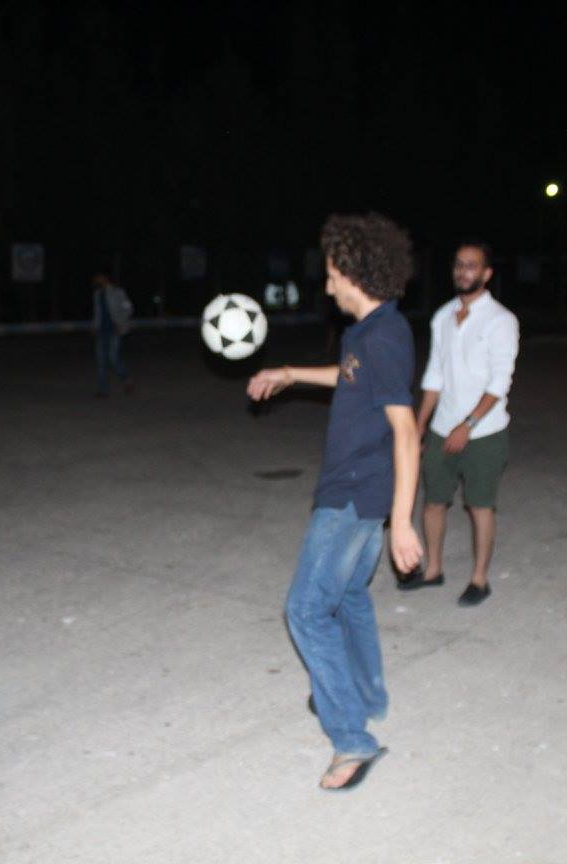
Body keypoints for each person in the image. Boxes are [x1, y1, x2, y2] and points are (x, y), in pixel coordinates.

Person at [247, 212, 423, 791]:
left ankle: (351, 737)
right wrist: (290, 373)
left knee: (304, 610)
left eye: (330, 274)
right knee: (348, 596)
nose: (326, 286)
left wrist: (403, 522)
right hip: (362, 489)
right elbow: (350, 377)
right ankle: (367, 696)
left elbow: (405, 431)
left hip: (354, 492)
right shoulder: (371, 332)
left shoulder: (385, 337)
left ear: (353, 272)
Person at [400, 240, 519, 606]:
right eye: (458, 265)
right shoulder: (442, 317)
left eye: (471, 265)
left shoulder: (501, 320)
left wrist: (468, 425)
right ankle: (433, 570)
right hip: (443, 428)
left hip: (484, 432)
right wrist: (420, 424)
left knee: (479, 505)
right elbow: (434, 375)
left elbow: (500, 382)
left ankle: (479, 579)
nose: (463, 271)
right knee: (433, 502)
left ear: (487, 273)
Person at [91, 273, 134, 397]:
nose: (96, 280)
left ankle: (127, 379)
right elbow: (97, 312)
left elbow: (129, 308)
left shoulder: (118, 292)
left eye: (98, 277)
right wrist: (94, 326)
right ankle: (103, 390)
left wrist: (120, 322)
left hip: (115, 331)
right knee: (101, 362)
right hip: (101, 331)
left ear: (105, 278)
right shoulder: (97, 294)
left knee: (113, 358)